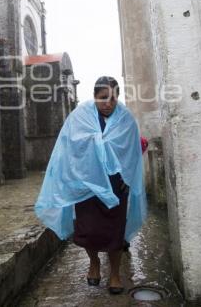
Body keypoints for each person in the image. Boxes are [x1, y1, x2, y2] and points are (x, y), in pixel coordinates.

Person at [35, 76, 147, 295]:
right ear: (94, 96)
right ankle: (94, 263)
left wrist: (128, 179)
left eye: (113, 98)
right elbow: (67, 148)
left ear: (118, 97)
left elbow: (133, 152)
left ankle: (114, 273)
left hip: (116, 185)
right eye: (103, 97)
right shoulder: (79, 117)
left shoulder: (126, 119)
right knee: (88, 230)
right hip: (86, 184)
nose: (108, 103)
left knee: (116, 231)